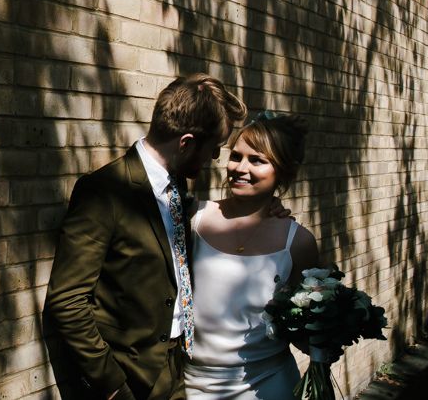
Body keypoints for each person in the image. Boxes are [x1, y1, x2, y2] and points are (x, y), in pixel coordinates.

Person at [45, 74, 285, 400]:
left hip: (177, 369)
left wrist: (263, 212)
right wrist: (112, 385)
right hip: (128, 379)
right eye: (213, 148)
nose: (215, 158)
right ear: (185, 143)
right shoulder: (105, 192)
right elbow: (67, 301)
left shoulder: (176, 189)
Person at [184, 113, 318, 400]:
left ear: (283, 171)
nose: (240, 168)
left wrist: (328, 335)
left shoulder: (299, 243)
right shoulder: (193, 217)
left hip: (268, 385)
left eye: (257, 160)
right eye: (235, 156)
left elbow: (303, 324)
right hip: (191, 384)